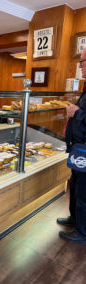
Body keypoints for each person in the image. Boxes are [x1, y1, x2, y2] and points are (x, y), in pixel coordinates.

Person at [58, 46, 86, 243]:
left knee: (84, 192)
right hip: (78, 149)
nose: (80, 66)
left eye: (82, 62)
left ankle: (82, 232)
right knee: (75, 186)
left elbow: (81, 115)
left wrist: (77, 113)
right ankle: (74, 219)